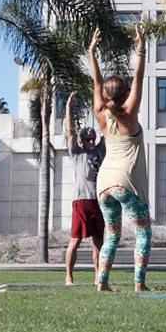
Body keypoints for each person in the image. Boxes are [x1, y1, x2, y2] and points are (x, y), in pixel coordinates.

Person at [90, 26, 151, 293]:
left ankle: (101, 282)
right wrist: (141, 49)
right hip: (125, 182)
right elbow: (139, 77)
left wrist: (91, 53)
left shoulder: (100, 113)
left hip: (103, 182)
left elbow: (96, 82)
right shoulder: (129, 114)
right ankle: (139, 283)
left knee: (112, 234)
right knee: (143, 232)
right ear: (125, 94)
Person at [64, 91, 106, 286]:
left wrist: (108, 104)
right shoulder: (77, 153)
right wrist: (68, 107)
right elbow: (70, 131)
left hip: (98, 201)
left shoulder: (99, 151)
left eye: (93, 139)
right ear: (81, 142)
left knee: (99, 241)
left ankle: (98, 274)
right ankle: (69, 276)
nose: (91, 142)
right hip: (81, 201)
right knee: (75, 240)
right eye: (88, 139)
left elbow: (107, 128)